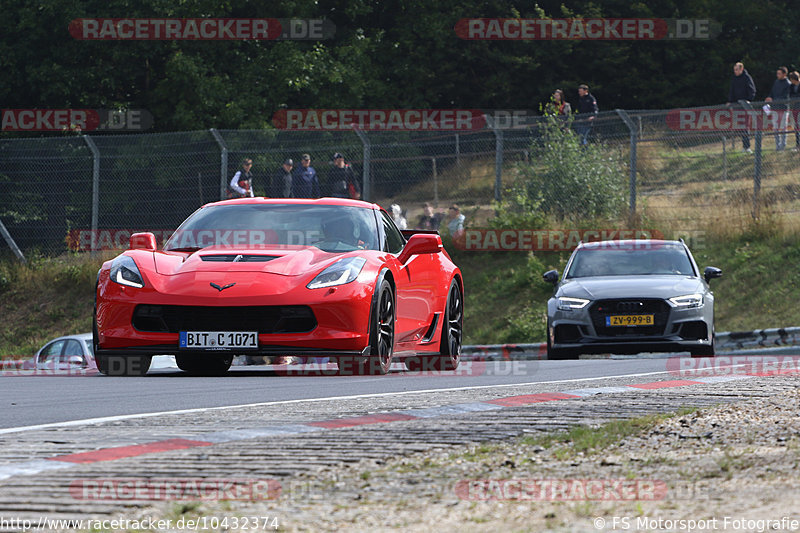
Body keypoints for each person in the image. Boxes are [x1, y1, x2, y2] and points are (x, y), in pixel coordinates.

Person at [727, 62, 757, 153]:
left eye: (737, 69)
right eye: (734, 70)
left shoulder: (747, 78)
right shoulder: (734, 79)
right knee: (740, 126)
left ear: (741, 69)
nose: (735, 71)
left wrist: (748, 100)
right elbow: (732, 90)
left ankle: (747, 147)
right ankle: (744, 146)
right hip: (737, 105)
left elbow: (752, 90)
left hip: (745, 105)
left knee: (745, 126)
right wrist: (730, 101)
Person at [765, 66, 791, 151]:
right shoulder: (776, 82)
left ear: (784, 74)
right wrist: (769, 97)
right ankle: (777, 145)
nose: (777, 75)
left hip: (783, 108)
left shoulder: (788, 84)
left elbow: (785, 97)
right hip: (775, 108)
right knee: (775, 128)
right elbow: (772, 93)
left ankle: (783, 145)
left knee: (783, 127)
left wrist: (774, 100)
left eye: (779, 73)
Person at [789, 71, 800, 151]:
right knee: (797, 127)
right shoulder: (791, 86)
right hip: (795, 108)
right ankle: (798, 144)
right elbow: (790, 95)